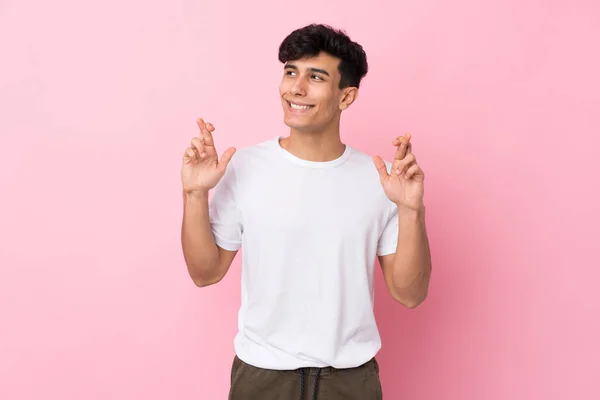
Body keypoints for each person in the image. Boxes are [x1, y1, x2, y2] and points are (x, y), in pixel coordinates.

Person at [180, 23, 432, 400]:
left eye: (315, 77)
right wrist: (194, 193)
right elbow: (206, 272)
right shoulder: (245, 167)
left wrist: (412, 210)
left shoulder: (379, 180)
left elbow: (410, 294)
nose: (296, 88)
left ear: (346, 97)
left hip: (350, 381)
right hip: (261, 378)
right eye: (290, 72)